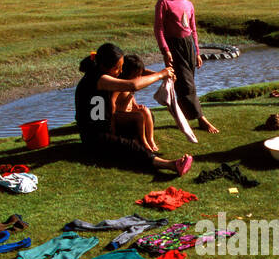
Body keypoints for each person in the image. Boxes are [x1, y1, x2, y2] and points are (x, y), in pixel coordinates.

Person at [75, 43, 193, 175]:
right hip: (94, 136)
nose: (120, 72)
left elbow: (136, 72)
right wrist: (160, 75)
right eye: (117, 68)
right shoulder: (99, 79)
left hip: (105, 124)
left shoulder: (101, 69)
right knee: (130, 146)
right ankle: (171, 165)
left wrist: (165, 75)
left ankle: (136, 144)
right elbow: (133, 85)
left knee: (146, 118)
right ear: (106, 65)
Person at [154, 0, 219, 134]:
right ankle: (201, 119)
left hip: (188, 45)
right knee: (187, 84)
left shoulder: (189, 4)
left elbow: (193, 29)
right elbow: (159, 29)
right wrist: (165, 50)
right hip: (174, 46)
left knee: (185, 84)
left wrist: (197, 52)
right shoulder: (164, 3)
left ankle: (181, 116)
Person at [111, 54, 158, 152]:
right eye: (137, 74)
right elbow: (112, 101)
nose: (139, 77)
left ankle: (151, 139)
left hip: (129, 109)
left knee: (145, 110)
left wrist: (135, 104)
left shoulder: (132, 82)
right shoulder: (120, 84)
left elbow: (130, 96)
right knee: (139, 116)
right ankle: (144, 141)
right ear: (128, 72)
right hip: (120, 113)